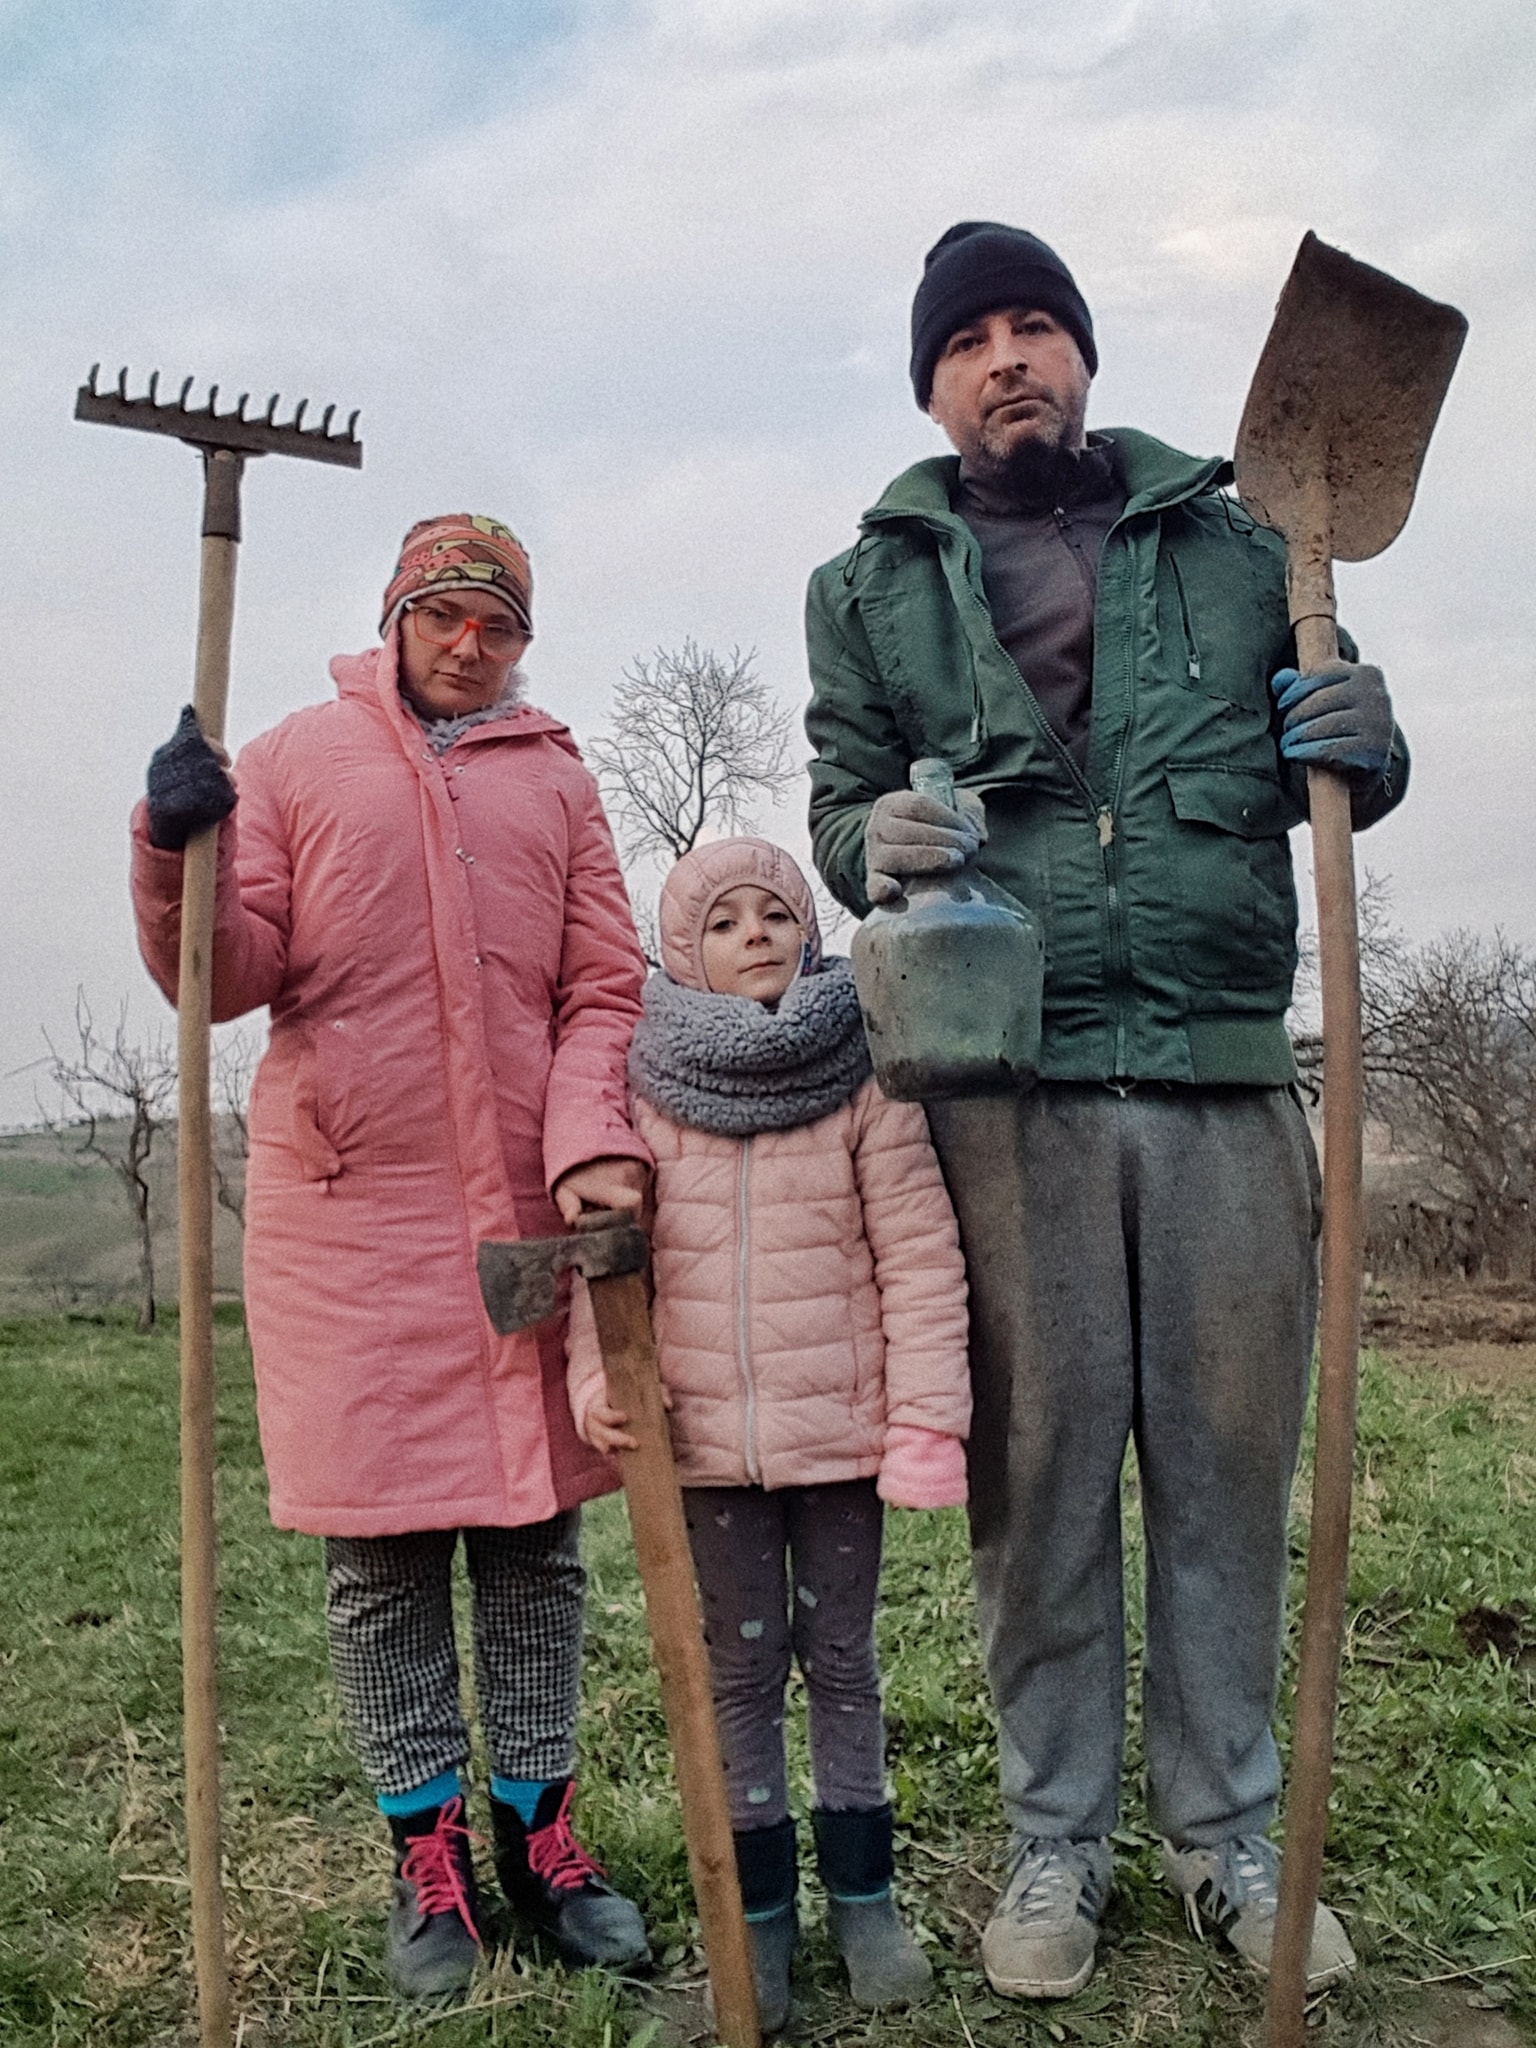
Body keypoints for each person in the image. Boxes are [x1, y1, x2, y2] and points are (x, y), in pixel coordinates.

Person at [804, 223, 1409, 2001]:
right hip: (1013, 1086)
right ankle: (1054, 1838)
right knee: (1041, 1481)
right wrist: (872, 843)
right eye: (971, 339)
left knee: (1225, 1475)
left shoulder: (1241, 542)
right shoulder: (870, 586)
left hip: (1225, 1069)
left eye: (1037, 329)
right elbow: (844, 801)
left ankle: (1227, 1831)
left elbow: (1344, 747)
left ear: (1082, 357)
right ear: (932, 383)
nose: (1009, 360)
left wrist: (1368, 736)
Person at [131, 514, 653, 2001]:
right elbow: (222, 978)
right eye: (444, 614)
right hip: (350, 1221)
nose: (469, 641)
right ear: (397, 619)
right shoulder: (297, 758)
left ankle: (541, 1834)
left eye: (497, 621)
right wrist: (176, 848)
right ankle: (427, 1858)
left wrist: (584, 1150)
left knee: (536, 1552)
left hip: (520, 1219)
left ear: (522, 642)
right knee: (385, 1565)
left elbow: (605, 987)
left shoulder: (556, 777)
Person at [566, 838, 971, 2030]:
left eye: (776, 913)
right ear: (684, 950)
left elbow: (919, 1252)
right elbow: (611, 1265)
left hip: (840, 1441)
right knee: (736, 1676)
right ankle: (757, 1925)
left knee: (841, 1663)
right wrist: (599, 1379)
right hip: (707, 1455)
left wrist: (926, 1418)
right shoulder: (648, 1085)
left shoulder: (862, 1077)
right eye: (726, 920)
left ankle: (866, 1898)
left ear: (809, 929)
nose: (756, 932)